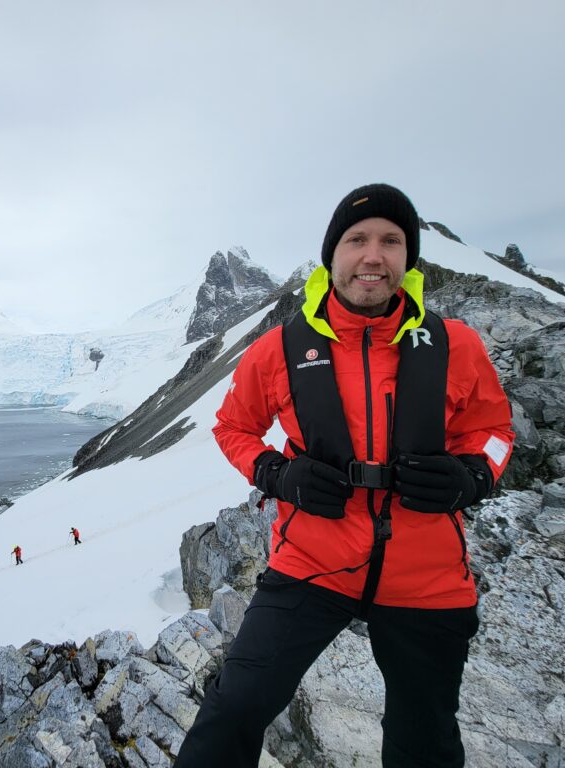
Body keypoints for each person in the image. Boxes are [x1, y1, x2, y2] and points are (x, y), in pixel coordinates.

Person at [175, 183, 514, 768]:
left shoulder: (454, 344)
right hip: (312, 560)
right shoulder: (278, 350)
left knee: (424, 738)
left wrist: (473, 478)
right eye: (357, 240)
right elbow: (233, 427)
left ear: (408, 259)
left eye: (391, 241)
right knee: (236, 706)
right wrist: (277, 475)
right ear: (332, 256)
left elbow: (494, 432)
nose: (373, 255)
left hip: (427, 575)